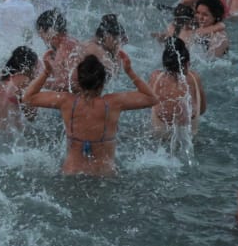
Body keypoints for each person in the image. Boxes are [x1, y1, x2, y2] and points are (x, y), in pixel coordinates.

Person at [21, 51, 156, 176]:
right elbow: (152, 98)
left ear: (79, 83)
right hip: (104, 173)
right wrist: (129, 71)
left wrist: (46, 71)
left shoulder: (65, 101)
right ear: (103, 83)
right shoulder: (113, 103)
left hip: (72, 172)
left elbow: (27, 98)